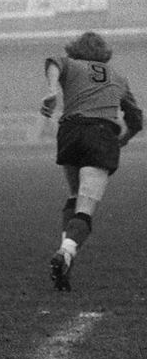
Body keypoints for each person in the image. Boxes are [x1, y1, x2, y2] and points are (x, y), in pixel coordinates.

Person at [40, 31, 142, 292]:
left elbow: (53, 61)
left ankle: (66, 265)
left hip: (70, 132)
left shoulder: (70, 64)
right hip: (100, 134)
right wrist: (125, 139)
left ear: (75, 49)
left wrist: (53, 91)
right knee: (86, 208)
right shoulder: (118, 77)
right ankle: (65, 252)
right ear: (104, 54)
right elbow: (137, 119)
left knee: (74, 197)